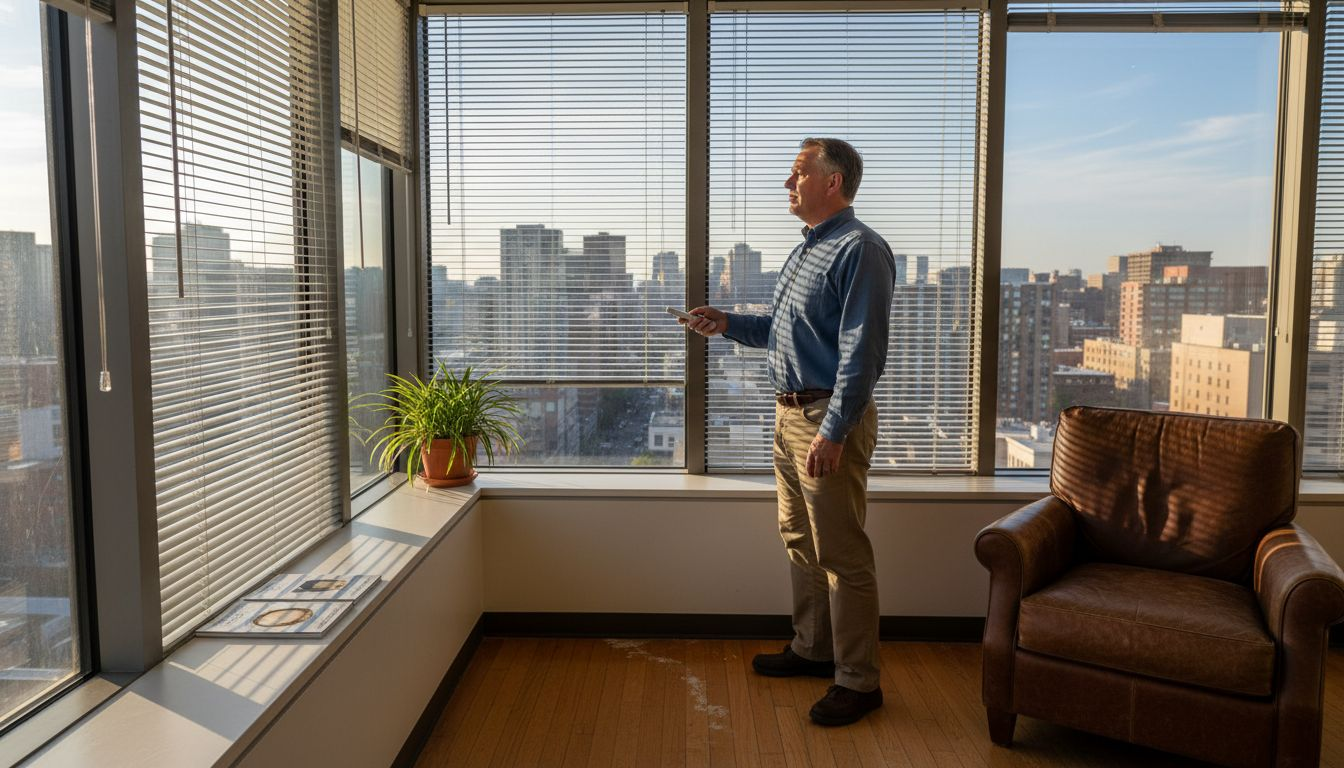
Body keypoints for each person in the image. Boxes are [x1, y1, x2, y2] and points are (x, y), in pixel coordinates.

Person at [681, 137, 895, 727]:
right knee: (798, 538)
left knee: (842, 554)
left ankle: (859, 681)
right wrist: (727, 324)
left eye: (798, 172)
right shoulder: (806, 251)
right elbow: (785, 330)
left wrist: (834, 431)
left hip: (826, 420)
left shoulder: (860, 249)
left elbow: (862, 351)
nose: (787, 183)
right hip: (788, 414)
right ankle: (812, 648)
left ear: (833, 182)